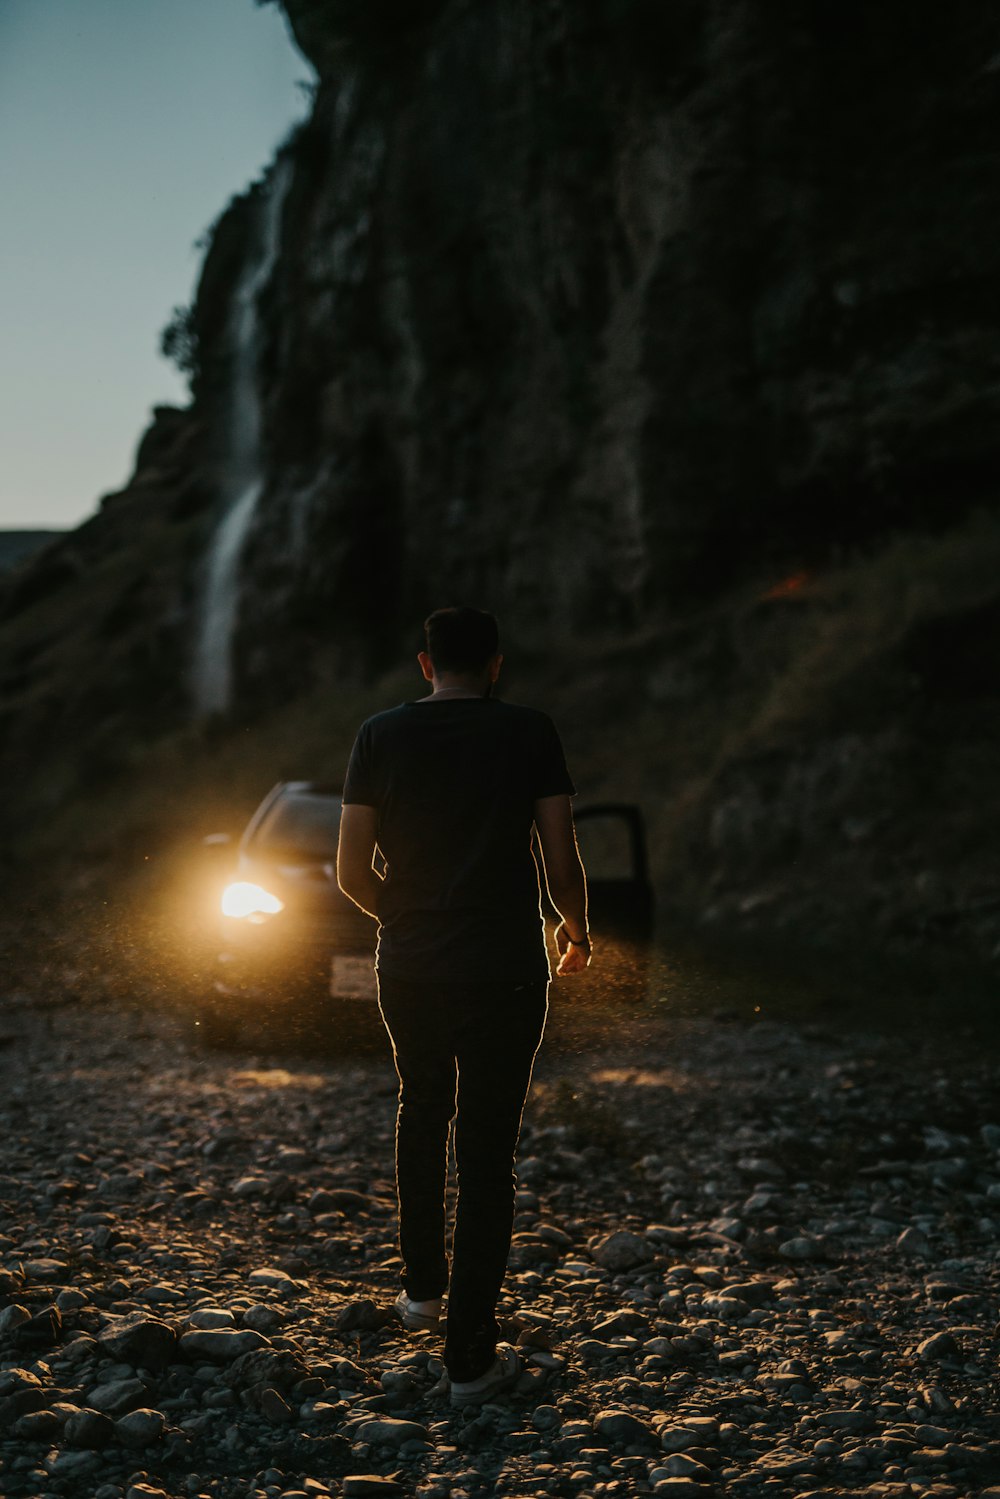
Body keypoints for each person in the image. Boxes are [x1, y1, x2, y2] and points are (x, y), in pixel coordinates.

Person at [337, 606, 591, 1405]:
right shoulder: (529, 730)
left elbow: (348, 869)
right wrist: (575, 929)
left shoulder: (379, 734)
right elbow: (559, 851)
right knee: (487, 1153)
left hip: (409, 966)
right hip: (506, 968)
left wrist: (409, 925)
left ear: (424, 664)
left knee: (421, 1109)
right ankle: (471, 1363)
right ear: (496, 664)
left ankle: (420, 1291)